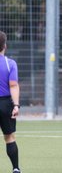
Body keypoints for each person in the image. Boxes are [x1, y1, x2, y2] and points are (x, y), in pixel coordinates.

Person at [0, 31, 21, 173]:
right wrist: (16, 105)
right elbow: (13, 85)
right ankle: (15, 168)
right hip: (5, 104)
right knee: (9, 137)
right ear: (4, 46)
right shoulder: (10, 64)